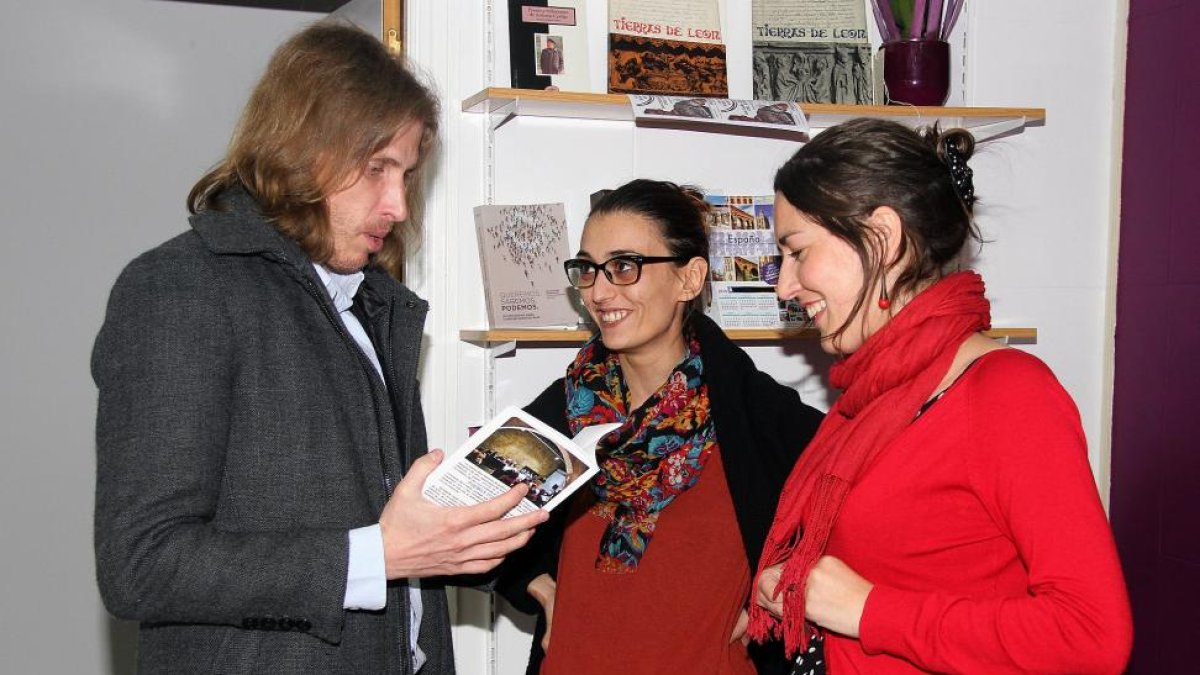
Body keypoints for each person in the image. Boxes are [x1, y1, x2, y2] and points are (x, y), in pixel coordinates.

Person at [92, 22, 547, 674]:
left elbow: (377, 524)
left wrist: (470, 536)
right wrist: (377, 556)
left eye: (407, 174)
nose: (396, 204)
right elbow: (142, 562)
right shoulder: (179, 287)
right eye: (376, 169)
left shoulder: (370, 303)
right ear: (302, 149)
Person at [747, 118, 1133, 674]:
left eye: (798, 251)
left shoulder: (1007, 394)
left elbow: (1092, 637)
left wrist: (868, 612)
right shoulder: (877, 397)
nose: (784, 285)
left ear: (881, 237)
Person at [496, 179, 825, 675]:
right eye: (588, 269)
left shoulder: (756, 416)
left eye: (624, 267)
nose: (599, 291)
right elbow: (477, 524)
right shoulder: (564, 409)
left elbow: (855, 532)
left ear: (689, 279)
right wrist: (540, 587)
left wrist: (772, 605)